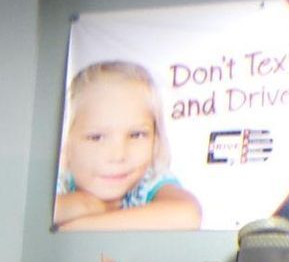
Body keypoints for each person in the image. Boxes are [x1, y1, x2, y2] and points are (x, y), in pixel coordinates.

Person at [53, 60, 202, 231]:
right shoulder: (58, 183)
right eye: (96, 137)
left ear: (156, 138)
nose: (118, 156)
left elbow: (187, 215)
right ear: (66, 144)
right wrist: (88, 205)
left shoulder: (146, 183)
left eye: (136, 135)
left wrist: (77, 229)